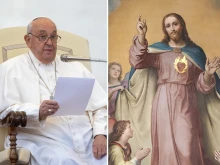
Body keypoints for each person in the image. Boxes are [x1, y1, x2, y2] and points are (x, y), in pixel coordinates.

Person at [115, 13, 220, 165]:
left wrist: (208, 74)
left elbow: (202, 87)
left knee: (187, 146)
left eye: (175, 24)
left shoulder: (195, 52)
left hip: (187, 102)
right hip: (163, 102)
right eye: (168, 26)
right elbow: (138, 61)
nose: (172, 28)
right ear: (165, 29)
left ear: (182, 25)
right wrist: (142, 36)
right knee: (166, 147)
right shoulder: (160, 52)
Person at [0, 17, 107, 165]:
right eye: (43, 36)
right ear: (28, 40)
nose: (49, 42)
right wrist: (38, 111)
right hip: (42, 141)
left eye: (53, 36)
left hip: (88, 141)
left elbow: (100, 106)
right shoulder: (9, 69)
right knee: (65, 161)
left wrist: (101, 134)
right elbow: (3, 113)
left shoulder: (75, 67)